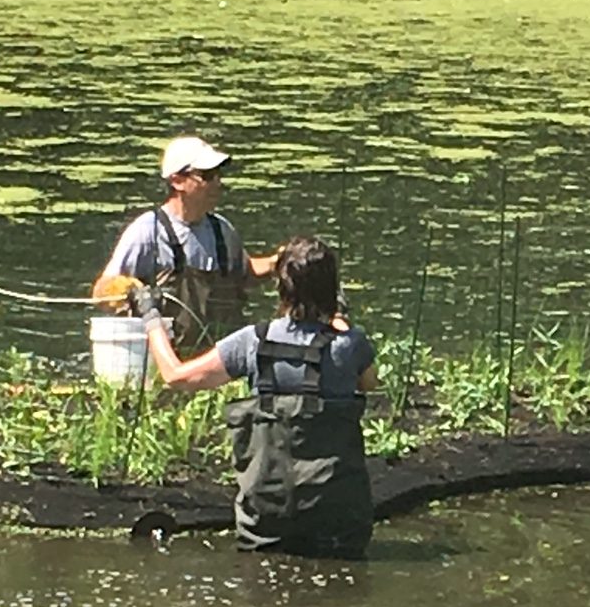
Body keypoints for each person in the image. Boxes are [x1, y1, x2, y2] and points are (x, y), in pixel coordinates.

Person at [136, 236, 378, 557]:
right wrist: (339, 321)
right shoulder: (351, 345)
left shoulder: (253, 342)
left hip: (266, 519)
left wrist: (152, 318)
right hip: (339, 522)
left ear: (281, 287)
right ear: (332, 290)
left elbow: (176, 376)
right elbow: (369, 382)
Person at [94, 136, 277, 350]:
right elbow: (101, 293)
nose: (217, 183)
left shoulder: (222, 229)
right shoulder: (148, 230)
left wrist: (277, 262)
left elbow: (245, 273)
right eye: (207, 176)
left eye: (218, 174)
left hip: (221, 361)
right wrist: (129, 291)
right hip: (165, 359)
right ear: (177, 181)